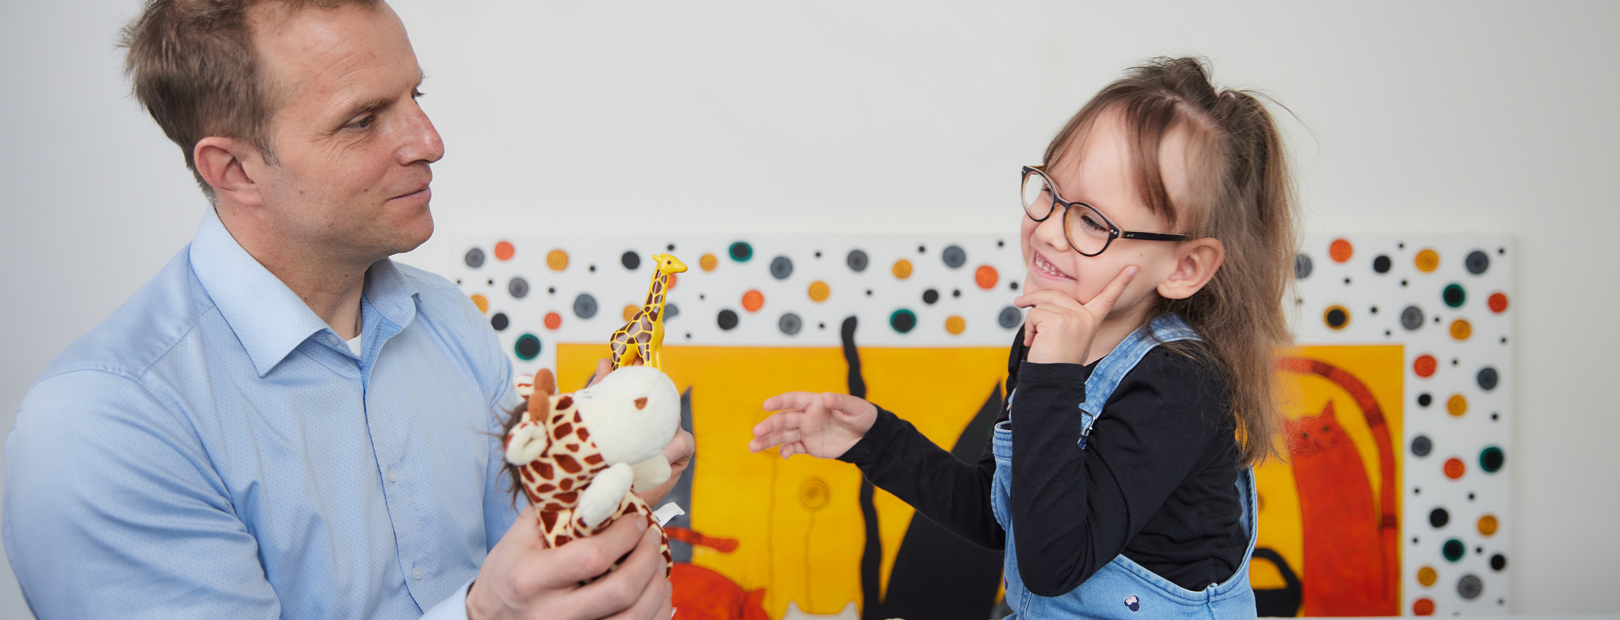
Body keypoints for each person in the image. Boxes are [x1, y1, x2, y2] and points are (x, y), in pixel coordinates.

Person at [2, 1, 691, 619]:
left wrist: (588, 475)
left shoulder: (449, 322)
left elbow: (531, 558)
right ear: (233, 170)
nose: (429, 142)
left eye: (414, 96)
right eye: (363, 121)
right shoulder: (104, 426)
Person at [749, 57, 1297, 618]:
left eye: (1091, 222)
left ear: (1183, 268)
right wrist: (878, 443)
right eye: (1051, 192)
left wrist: (1051, 378)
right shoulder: (1046, 339)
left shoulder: (1181, 385)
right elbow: (1006, 519)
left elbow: (1053, 562)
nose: (1049, 230)